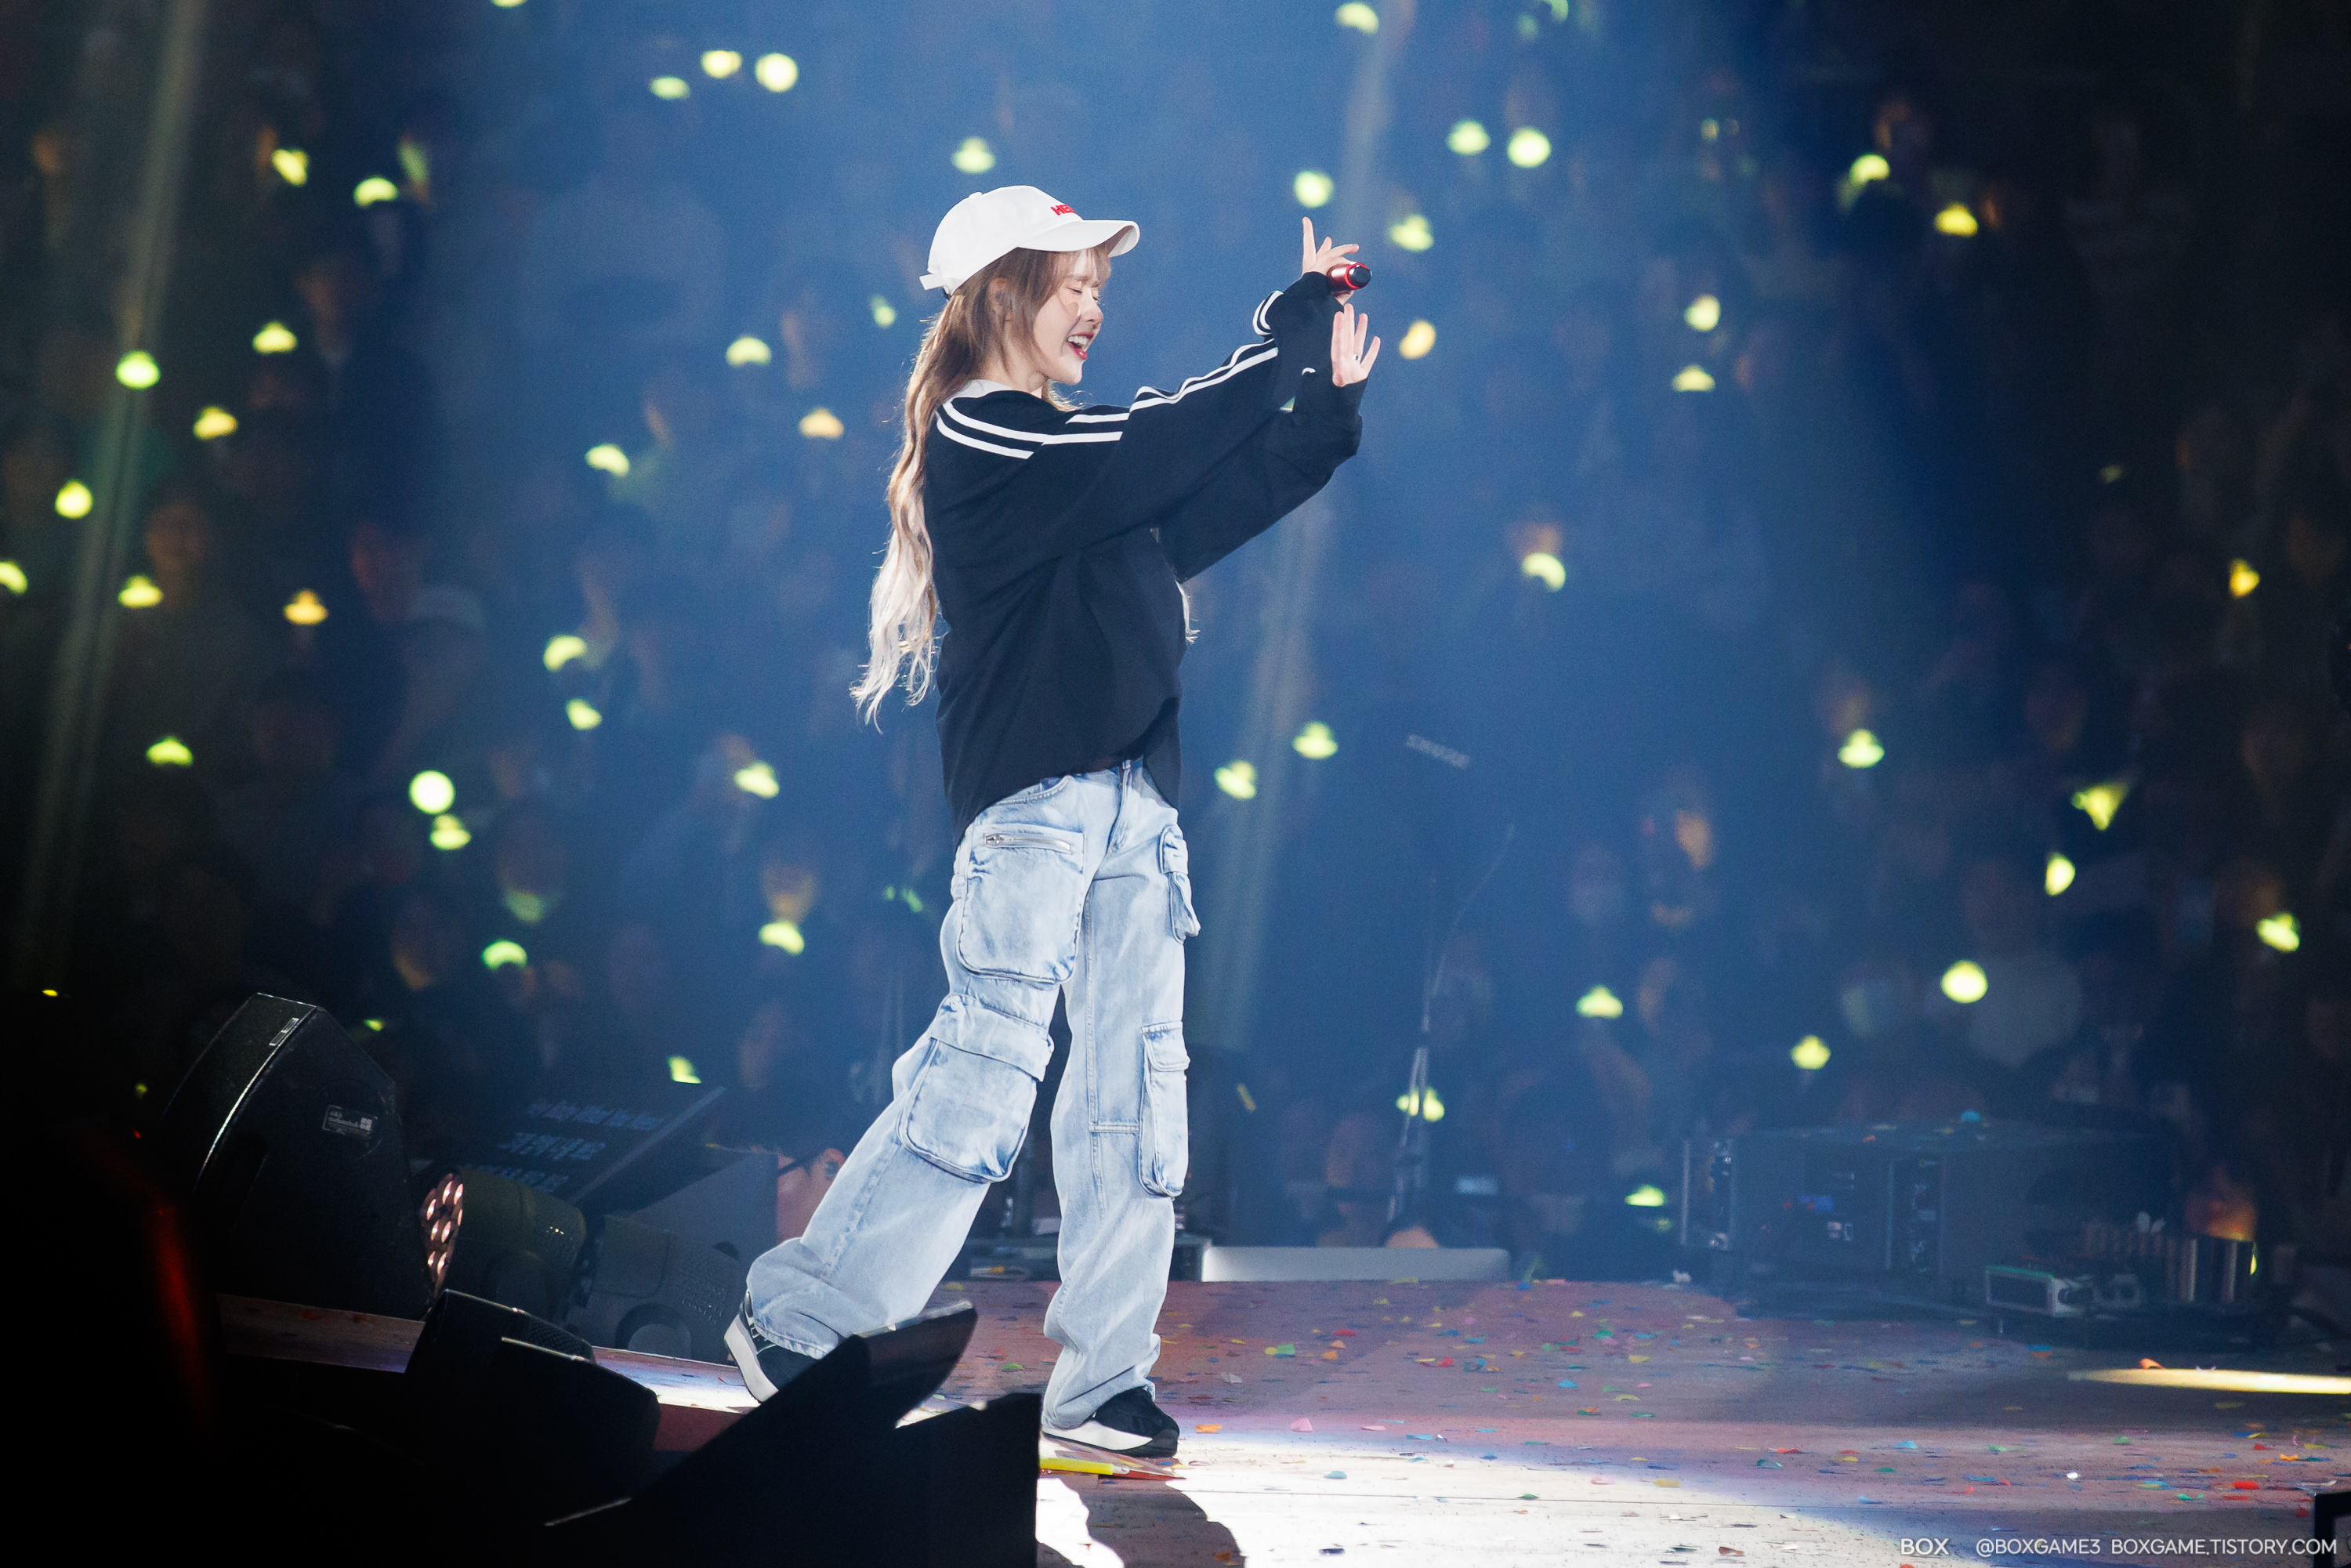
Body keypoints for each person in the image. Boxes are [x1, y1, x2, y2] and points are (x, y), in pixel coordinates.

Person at [726, 186, 1378, 1459]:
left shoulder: (1076, 470)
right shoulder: (986, 431)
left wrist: (1327, 415)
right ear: (1003, 294)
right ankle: (801, 1314)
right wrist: (1285, 329)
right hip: (1036, 805)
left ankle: (1100, 1381)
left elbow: (1216, 497)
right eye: (1073, 285)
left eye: (1098, 289)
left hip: (1136, 804)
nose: (1093, 308)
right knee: (988, 1066)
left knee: (1136, 1094)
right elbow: (1159, 442)